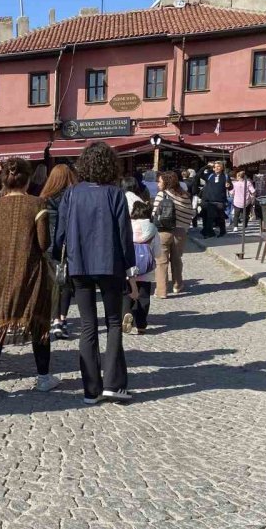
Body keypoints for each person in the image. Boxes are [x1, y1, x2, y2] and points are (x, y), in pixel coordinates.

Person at [54, 142, 136, 404]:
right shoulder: (115, 194)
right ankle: (114, 384)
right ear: (110, 166)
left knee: (88, 325)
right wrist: (130, 266)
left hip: (79, 264)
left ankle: (91, 389)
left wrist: (59, 256)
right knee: (113, 322)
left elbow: (61, 232)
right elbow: (125, 234)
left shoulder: (72, 193)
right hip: (110, 263)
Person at [0, 158, 56, 399]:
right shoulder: (37, 204)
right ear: (27, 180)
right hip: (29, 272)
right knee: (38, 322)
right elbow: (44, 243)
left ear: (5, 180)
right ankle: (43, 377)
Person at [40, 164, 78, 341]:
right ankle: (60, 320)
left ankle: (50, 317)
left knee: (50, 285)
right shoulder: (73, 198)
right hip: (66, 247)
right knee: (65, 284)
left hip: (47, 247)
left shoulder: (43, 199)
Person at [122, 198, 161, 335]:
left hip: (129, 267)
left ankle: (126, 313)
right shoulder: (152, 229)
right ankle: (141, 324)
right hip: (146, 268)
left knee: (127, 294)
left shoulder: (127, 227)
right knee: (144, 297)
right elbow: (158, 251)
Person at [153, 171, 192, 297]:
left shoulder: (162, 195)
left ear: (166, 182)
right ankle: (177, 284)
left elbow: (154, 213)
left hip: (163, 231)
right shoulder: (185, 196)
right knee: (176, 260)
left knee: (161, 262)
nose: (158, 184)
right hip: (180, 232)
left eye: (160, 181)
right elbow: (190, 214)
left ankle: (161, 291)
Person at [200, 160, 231, 238]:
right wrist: (207, 166)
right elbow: (199, 174)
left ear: (222, 168)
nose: (217, 168)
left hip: (220, 200)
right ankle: (209, 233)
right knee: (209, 218)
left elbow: (231, 187)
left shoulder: (226, 176)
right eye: (216, 167)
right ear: (213, 168)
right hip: (210, 201)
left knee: (221, 218)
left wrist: (229, 186)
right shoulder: (209, 175)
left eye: (219, 166)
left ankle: (222, 232)